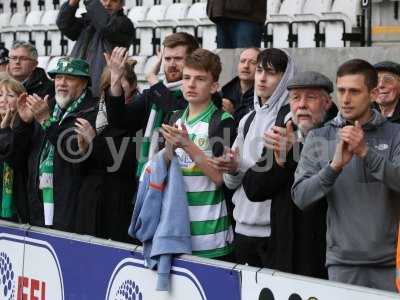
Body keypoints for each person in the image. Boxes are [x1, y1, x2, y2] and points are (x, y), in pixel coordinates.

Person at [292, 59, 400, 292]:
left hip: (391, 264)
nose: (346, 99)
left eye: (354, 91)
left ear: (372, 94)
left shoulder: (395, 134)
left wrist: (366, 153)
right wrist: (334, 168)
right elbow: (300, 197)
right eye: (341, 90)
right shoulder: (319, 137)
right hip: (341, 264)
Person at [241, 71, 337, 278]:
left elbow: (320, 188)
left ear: (327, 103)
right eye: (295, 98)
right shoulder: (283, 134)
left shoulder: (338, 137)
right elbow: (253, 189)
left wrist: (293, 154)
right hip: (282, 253)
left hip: (323, 256)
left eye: (310, 97)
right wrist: (279, 160)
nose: (301, 105)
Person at [219, 48, 295, 267]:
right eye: (259, 70)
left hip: (274, 231)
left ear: (285, 78)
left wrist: (241, 167)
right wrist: (233, 168)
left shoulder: (289, 119)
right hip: (242, 228)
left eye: (271, 73)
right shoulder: (248, 119)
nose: (261, 78)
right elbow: (231, 181)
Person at [159, 48, 236, 259]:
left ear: (214, 86)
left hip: (211, 236)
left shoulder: (223, 121)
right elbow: (161, 171)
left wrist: (187, 145)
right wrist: (169, 150)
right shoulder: (174, 117)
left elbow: (221, 178)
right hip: (176, 232)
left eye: (200, 79)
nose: (191, 84)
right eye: (186, 78)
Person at [16, 57, 98, 232]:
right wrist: (24, 124)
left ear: (84, 83)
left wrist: (46, 121)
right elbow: (17, 157)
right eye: (58, 78)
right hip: (37, 205)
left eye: (69, 78)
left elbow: (74, 153)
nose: (61, 83)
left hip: (70, 210)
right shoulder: (47, 106)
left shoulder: (93, 111)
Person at [105, 33, 201, 176]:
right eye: (167, 59)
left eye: (178, 59)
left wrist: (153, 81)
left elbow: (176, 112)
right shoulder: (153, 93)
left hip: (182, 177)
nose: (172, 64)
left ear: (192, 61)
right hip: (149, 177)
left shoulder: (200, 94)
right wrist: (115, 80)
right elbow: (119, 120)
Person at [75, 54, 139, 242]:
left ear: (133, 86)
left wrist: (94, 142)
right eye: (108, 86)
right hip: (89, 204)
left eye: (118, 85)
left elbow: (125, 163)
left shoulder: (138, 115)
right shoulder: (92, 116)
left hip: (118, 206)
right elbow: (77, 171)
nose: (112, 90)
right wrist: (82, 148)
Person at [56, 0, 134, 97]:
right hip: (78, 86)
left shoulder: (125, 25)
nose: (108, 3)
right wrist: (72, 4)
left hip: (104, 90)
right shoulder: (88, 22)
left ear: (122, 4)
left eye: (114, 0)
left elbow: (106, 27)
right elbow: (64, 25)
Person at [0, 75, 31, 223]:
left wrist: (4, 131)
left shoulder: (26, 128)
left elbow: (14, 157)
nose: (3, 99)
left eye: (10, 95)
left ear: (21, 100)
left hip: (18, 203)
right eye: (0, 94)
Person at [221, 47, 260, 123]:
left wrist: (230, 117)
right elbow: (225, 134)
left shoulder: (263, 99)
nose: (246, 66)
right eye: (242, 61)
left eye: (253, 62)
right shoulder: (223, 94)